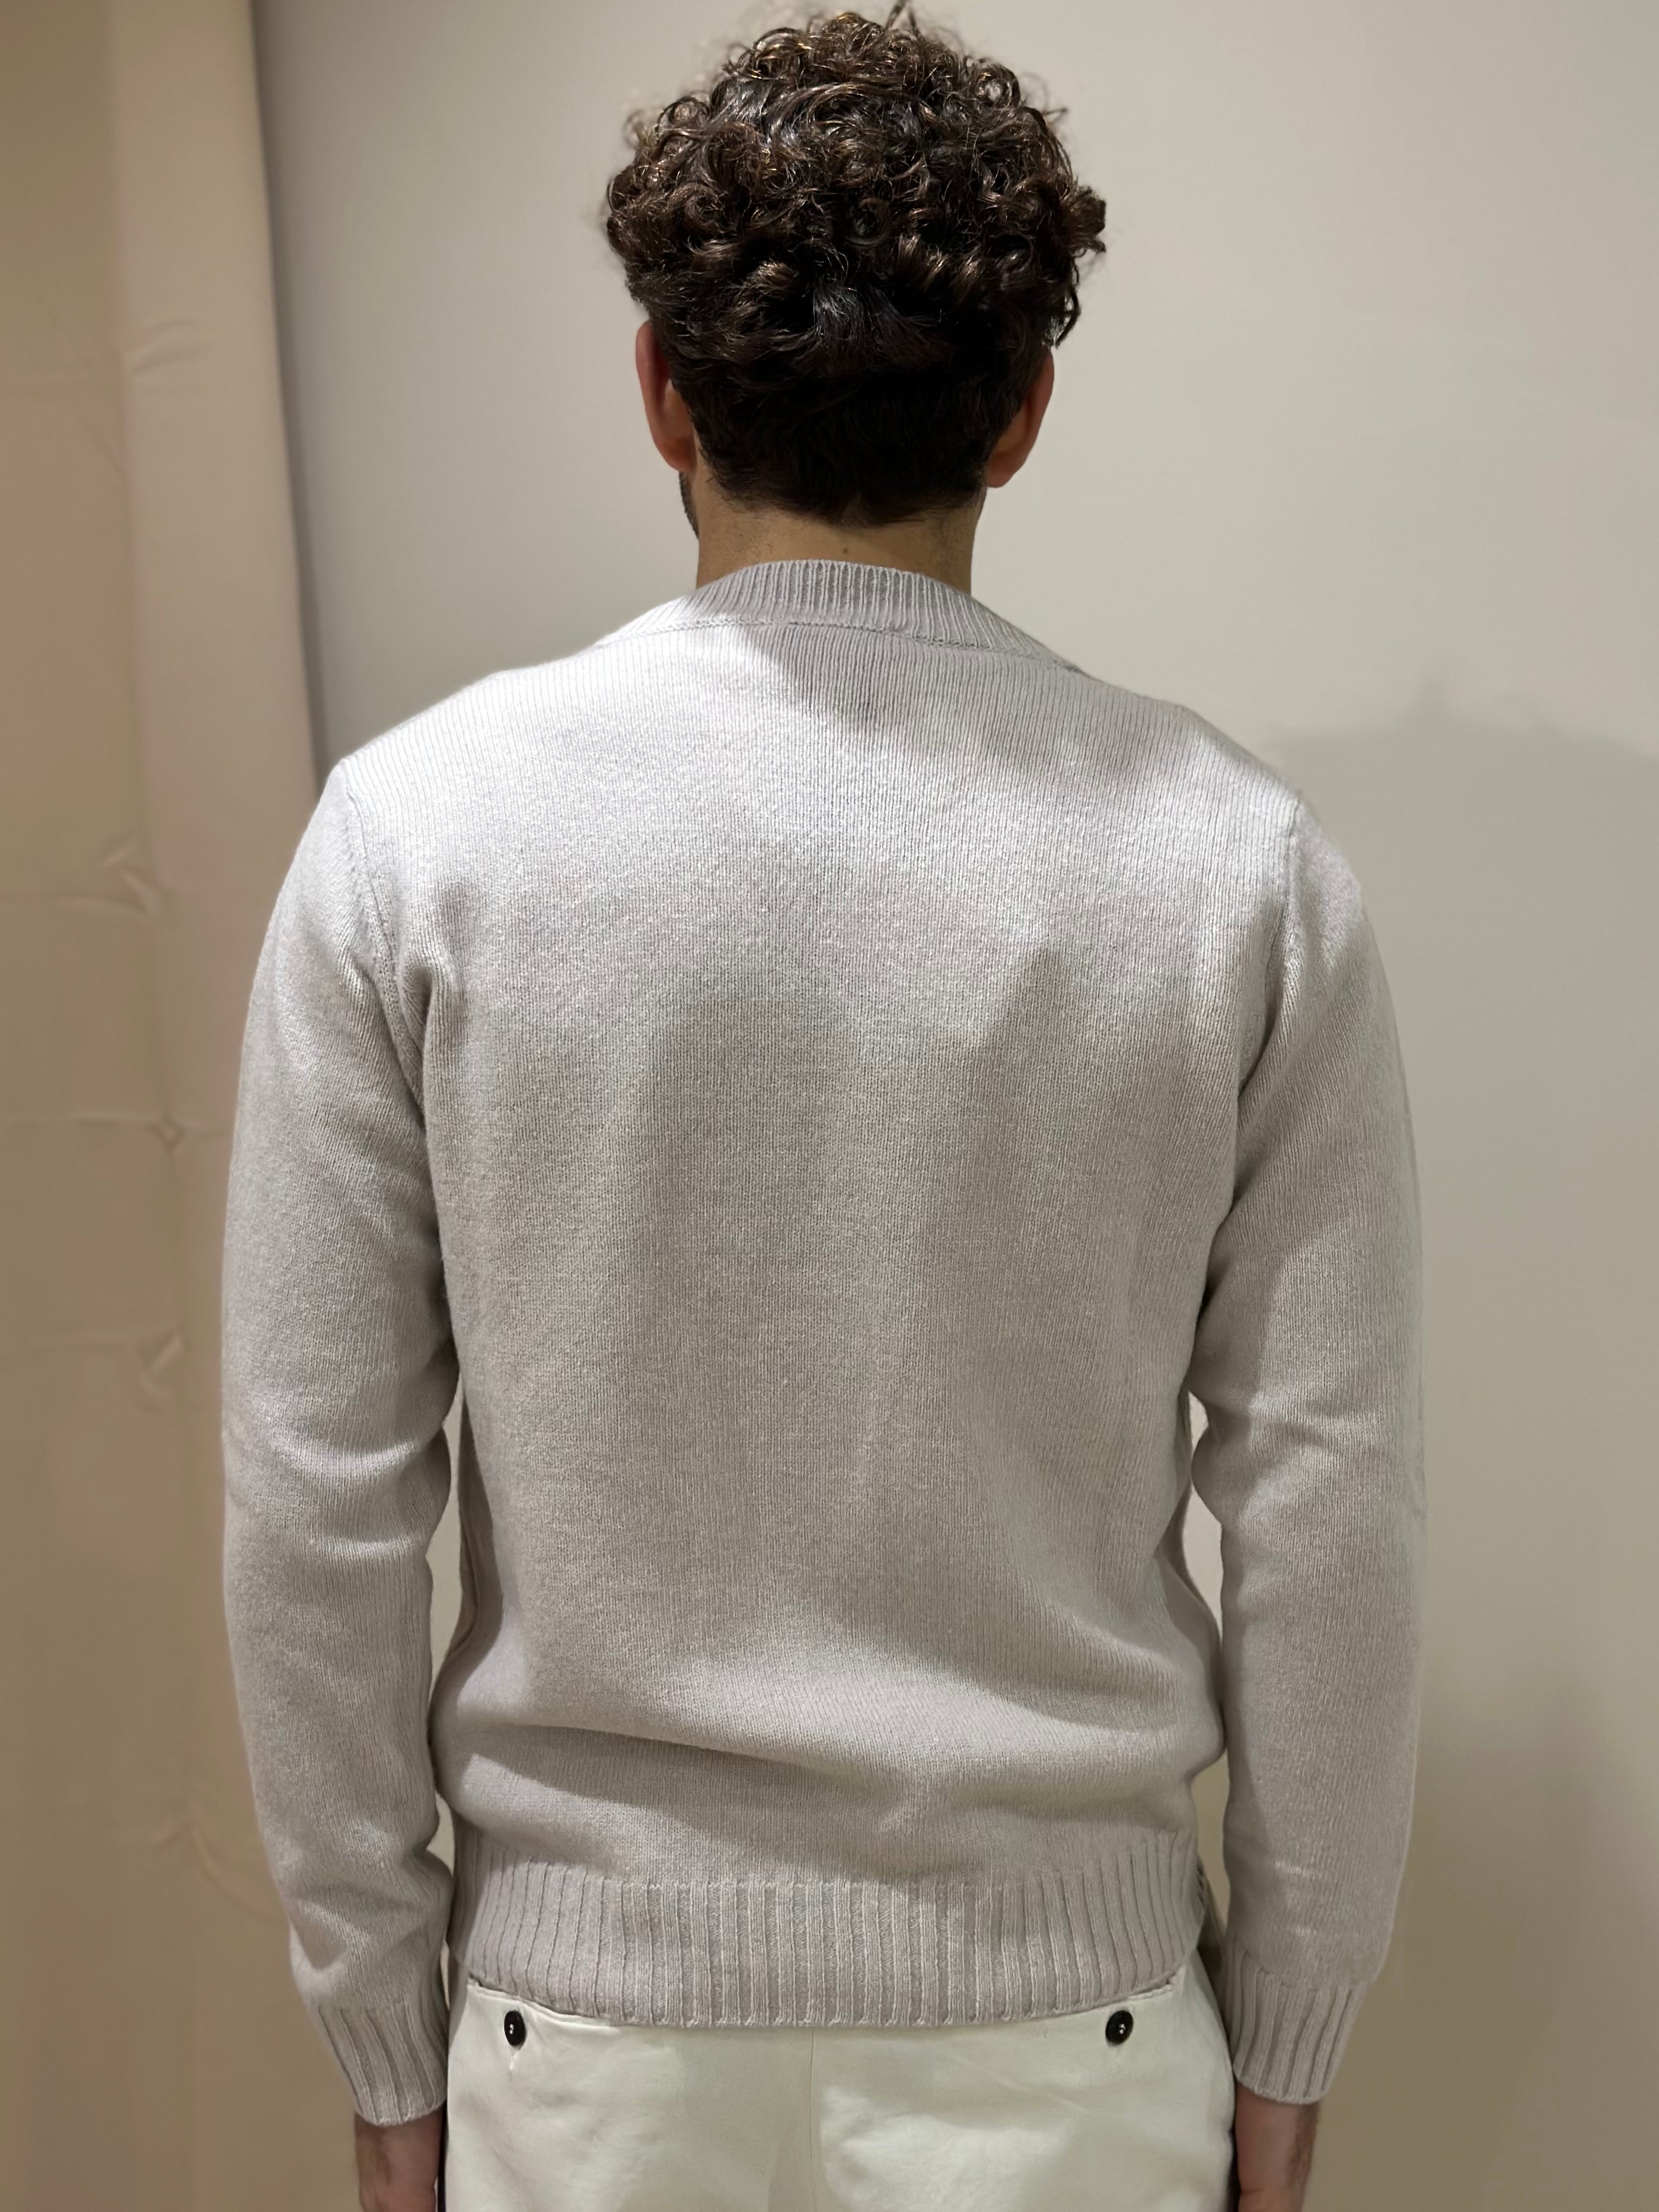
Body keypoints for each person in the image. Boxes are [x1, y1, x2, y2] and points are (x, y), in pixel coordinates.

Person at [220, 7, 1425, 2210]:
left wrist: (387, 2043)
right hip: (1070, 2050)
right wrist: (1298, 2021)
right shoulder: (1236, 869)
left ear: (662, 394)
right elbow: (1327, 1509)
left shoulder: (416, 840)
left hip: (577, 2057)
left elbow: (319, 1509)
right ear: (1026, 411)